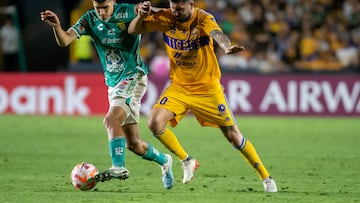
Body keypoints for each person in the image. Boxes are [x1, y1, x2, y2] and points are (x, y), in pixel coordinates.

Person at [128, 0, 278, 192]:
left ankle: (265, 177)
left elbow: (217, 33)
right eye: (173, 4)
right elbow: (133, 30)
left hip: (207, 88)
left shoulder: (203, 18)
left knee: (233, 135)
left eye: (180, 5)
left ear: (190, 4)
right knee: (154, 123)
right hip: (179, 87)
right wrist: (141, 13)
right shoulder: (166, 17)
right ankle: (187, 161)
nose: (175, 9)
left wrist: (225, 47)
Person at [40, 0, 174, 189]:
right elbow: (65, 40)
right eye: (98, 8)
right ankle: (165, 161)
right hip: (113, 83)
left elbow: (145, 13)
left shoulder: (127, 11)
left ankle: (118, 167)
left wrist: (144, 11)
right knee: (134, 145)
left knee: (111, 120)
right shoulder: (89, 19)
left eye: (105, 7)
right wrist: (57, 26)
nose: (101, 12)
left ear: (113, 1)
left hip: (133, 75)